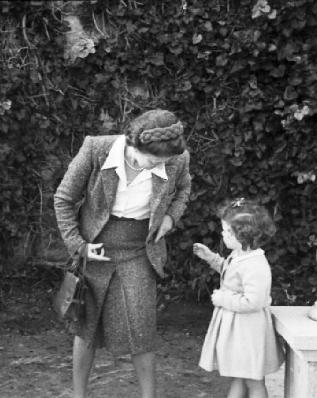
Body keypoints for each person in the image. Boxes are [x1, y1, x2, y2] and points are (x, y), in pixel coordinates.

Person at [54, 109, 191, 398]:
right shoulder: (96, 149)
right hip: (96, 250)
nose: (160, 166)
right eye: (153, 161)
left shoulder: (177, 159)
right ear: (133, 146)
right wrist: (80, 246)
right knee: (86, 327)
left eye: (164, 162)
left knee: (142, 329)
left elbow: (182, 191)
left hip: (140, 251)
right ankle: (78, 395)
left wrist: (170, 219)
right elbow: (63, 199)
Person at [193, 198, 284, 398]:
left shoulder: (256, 265)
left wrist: (223, 299)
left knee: (253, 381)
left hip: (248, 331)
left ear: (243, 235)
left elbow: (254, 302)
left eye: (227, 232)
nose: (222, 234)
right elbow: (230, 273)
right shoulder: (239, 255)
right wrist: (211, 258)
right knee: (238, 376)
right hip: (237, 329)